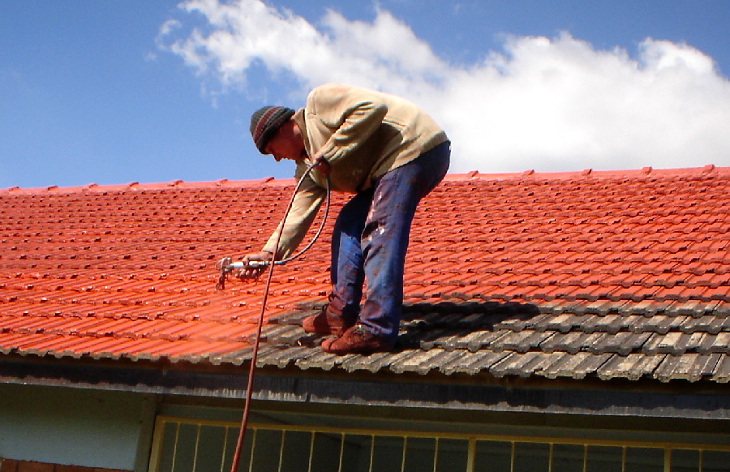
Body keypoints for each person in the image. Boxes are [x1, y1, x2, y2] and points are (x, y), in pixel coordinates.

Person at [241, 83, 450, 355]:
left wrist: (331, 153)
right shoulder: (308, 169)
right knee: (349, 222)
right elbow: (297, 214)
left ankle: (377, 329)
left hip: (415, 148)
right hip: (384, 170)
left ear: (283, 127)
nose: (277, 159)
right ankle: (340, 313)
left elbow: (373, 108)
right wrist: (267, 254)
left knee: (379, 229)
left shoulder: (318, 104)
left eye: (273, 149)